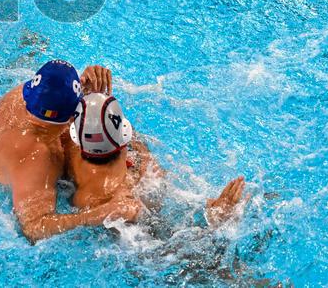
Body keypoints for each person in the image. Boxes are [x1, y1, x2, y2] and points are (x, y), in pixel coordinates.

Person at [0, 60, 142, 243]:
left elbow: (55, 93)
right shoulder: (37, 156)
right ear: (71, 117)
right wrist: (101, 214)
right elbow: (33, 229)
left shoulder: (23, 95)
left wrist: (84, 87)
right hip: (6, 187)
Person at [63, 66, 247, 228]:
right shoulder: (129, 195)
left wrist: (86, 95)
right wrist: (215, 221)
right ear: (124, 136)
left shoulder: (69, 153)